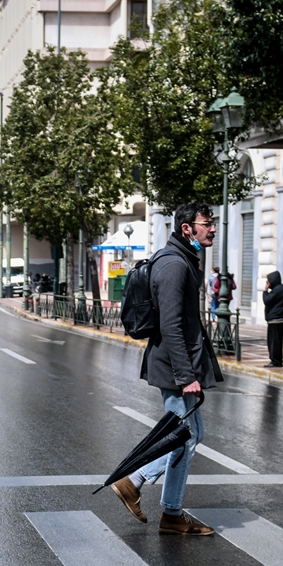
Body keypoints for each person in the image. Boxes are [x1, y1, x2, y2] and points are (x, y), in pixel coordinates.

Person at [109, 201, 222, 537]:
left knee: (192, 434)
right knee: (183, 437)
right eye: (206, 223)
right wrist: (186, 376)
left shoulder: (182, 258)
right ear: (186, 228)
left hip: (179, 363)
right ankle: (135, 482)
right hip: (175, 366)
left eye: (212, 222)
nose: (212, 228)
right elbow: (171, 325)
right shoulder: (174, 265)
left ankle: (171, 513)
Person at [263, 269, 283, 366]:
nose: (267, 283)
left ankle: (276, 361)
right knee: (272, 341)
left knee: (275, 342)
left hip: (276, 320)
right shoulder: (278, 289)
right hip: (274, 319)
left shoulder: (278, 290)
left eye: (268, 281)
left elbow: (267, 300)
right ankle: (275, 360)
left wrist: (265, 290)